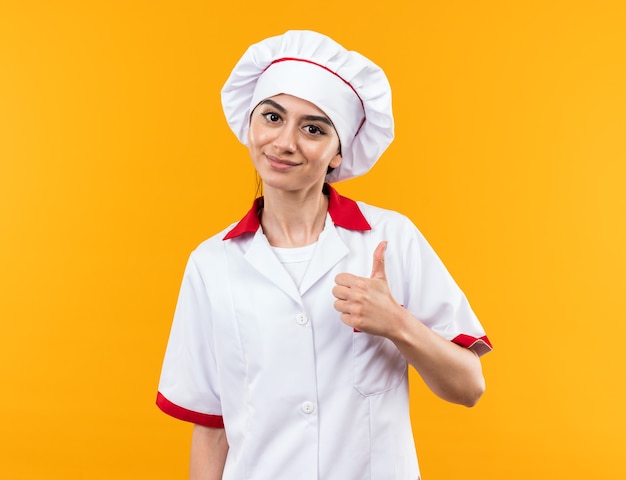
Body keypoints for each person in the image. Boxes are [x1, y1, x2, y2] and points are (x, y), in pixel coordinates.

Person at [156, 30, 492, 480]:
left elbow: (468, 386)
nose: (285, 142)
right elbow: (212, 429)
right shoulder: (210, 264)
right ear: (249, 125)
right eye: (272, 117)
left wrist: (396, 323)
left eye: (313, 128)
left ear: (338, 152)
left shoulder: (391, 239)